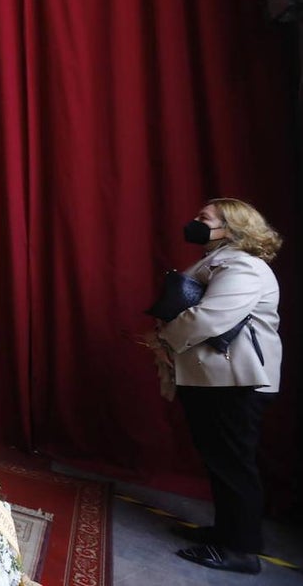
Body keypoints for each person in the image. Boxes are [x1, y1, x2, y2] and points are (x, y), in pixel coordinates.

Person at [154, 198, 282, 575]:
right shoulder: (220, 260)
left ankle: (242, 550)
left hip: (238, 382)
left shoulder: (244, 266)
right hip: (216, 378)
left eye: (203, 219)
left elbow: (208, 318)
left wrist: (163, 337)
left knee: (234, 466)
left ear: (231, 227)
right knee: (220, 462)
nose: (194, 222)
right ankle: (226, 532)